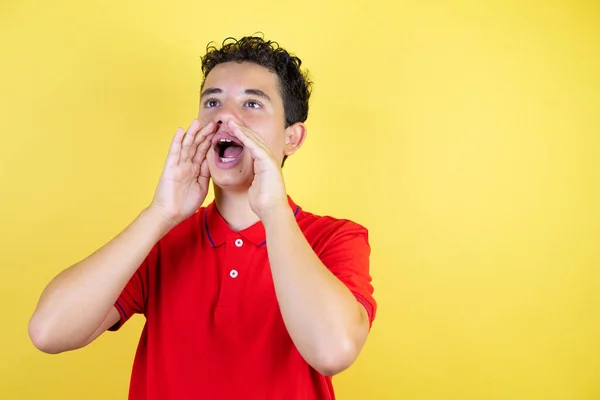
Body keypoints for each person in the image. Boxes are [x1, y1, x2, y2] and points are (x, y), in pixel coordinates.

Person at [28, 36, 377, 400]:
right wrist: (160, 214)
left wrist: (273, 210)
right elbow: (48, 332)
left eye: (252, 103)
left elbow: (333, 351)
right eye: (212, 101)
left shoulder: (336, 238)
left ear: (292, 137)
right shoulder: (162, 240)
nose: (225, 116)